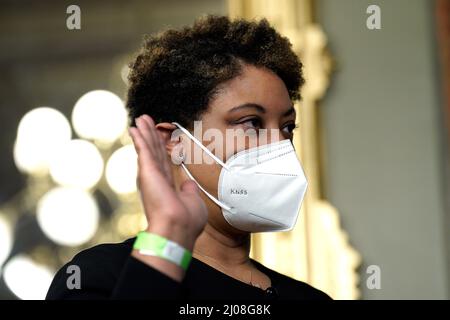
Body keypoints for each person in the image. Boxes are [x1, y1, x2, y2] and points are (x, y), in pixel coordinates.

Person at [46, 14, 331, 300]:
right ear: (174, 140)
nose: (279, 144)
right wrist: (168, 234)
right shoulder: (98, 277)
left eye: (287, 127)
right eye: (251, 123)